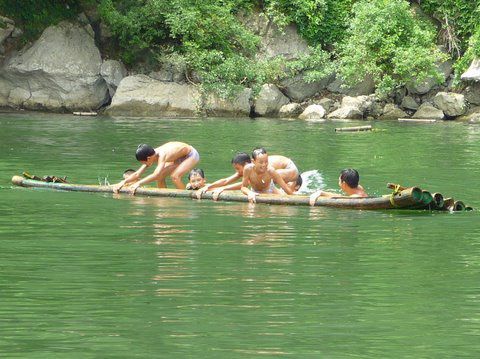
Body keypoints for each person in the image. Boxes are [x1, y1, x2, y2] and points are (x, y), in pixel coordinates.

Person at [197, 151, 300, 199]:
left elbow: (246, 184)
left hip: (290, 169)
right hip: (269, 178)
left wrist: (223, 189)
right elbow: (226, 181)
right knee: (260, 184)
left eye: (237, 169)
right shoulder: (248, 168)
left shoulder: (266, 167)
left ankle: (291, 190)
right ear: (252, 161)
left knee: (269, 181)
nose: (237, 172)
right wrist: (208, 187)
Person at [113, 142, 200, 194]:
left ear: (148, 158)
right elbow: (137, 174)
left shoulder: (162, 154)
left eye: (143, 163)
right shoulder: (151, 154)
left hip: (190, 154)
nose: (144, 164)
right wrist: (122, 182)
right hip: (177, 157)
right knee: (160, 176)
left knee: (175, 176)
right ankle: (163, 196)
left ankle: (185, 196)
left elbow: (155, 174)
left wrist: (138, 184)